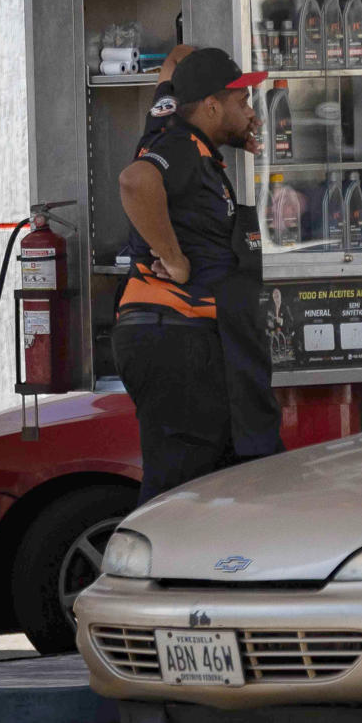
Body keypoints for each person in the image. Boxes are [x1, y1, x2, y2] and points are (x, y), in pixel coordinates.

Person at [113, 47, 280, 504]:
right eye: (241, 103)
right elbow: (135, 181)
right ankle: (152, 571)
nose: (250, 112)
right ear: (209, 105)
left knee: (213, 485)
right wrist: (175, 258)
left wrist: (231, 128)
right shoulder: (179, 147)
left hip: (173, 336)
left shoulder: (166, 118)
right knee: (182, 493)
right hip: (176, 337)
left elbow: (177, 58)